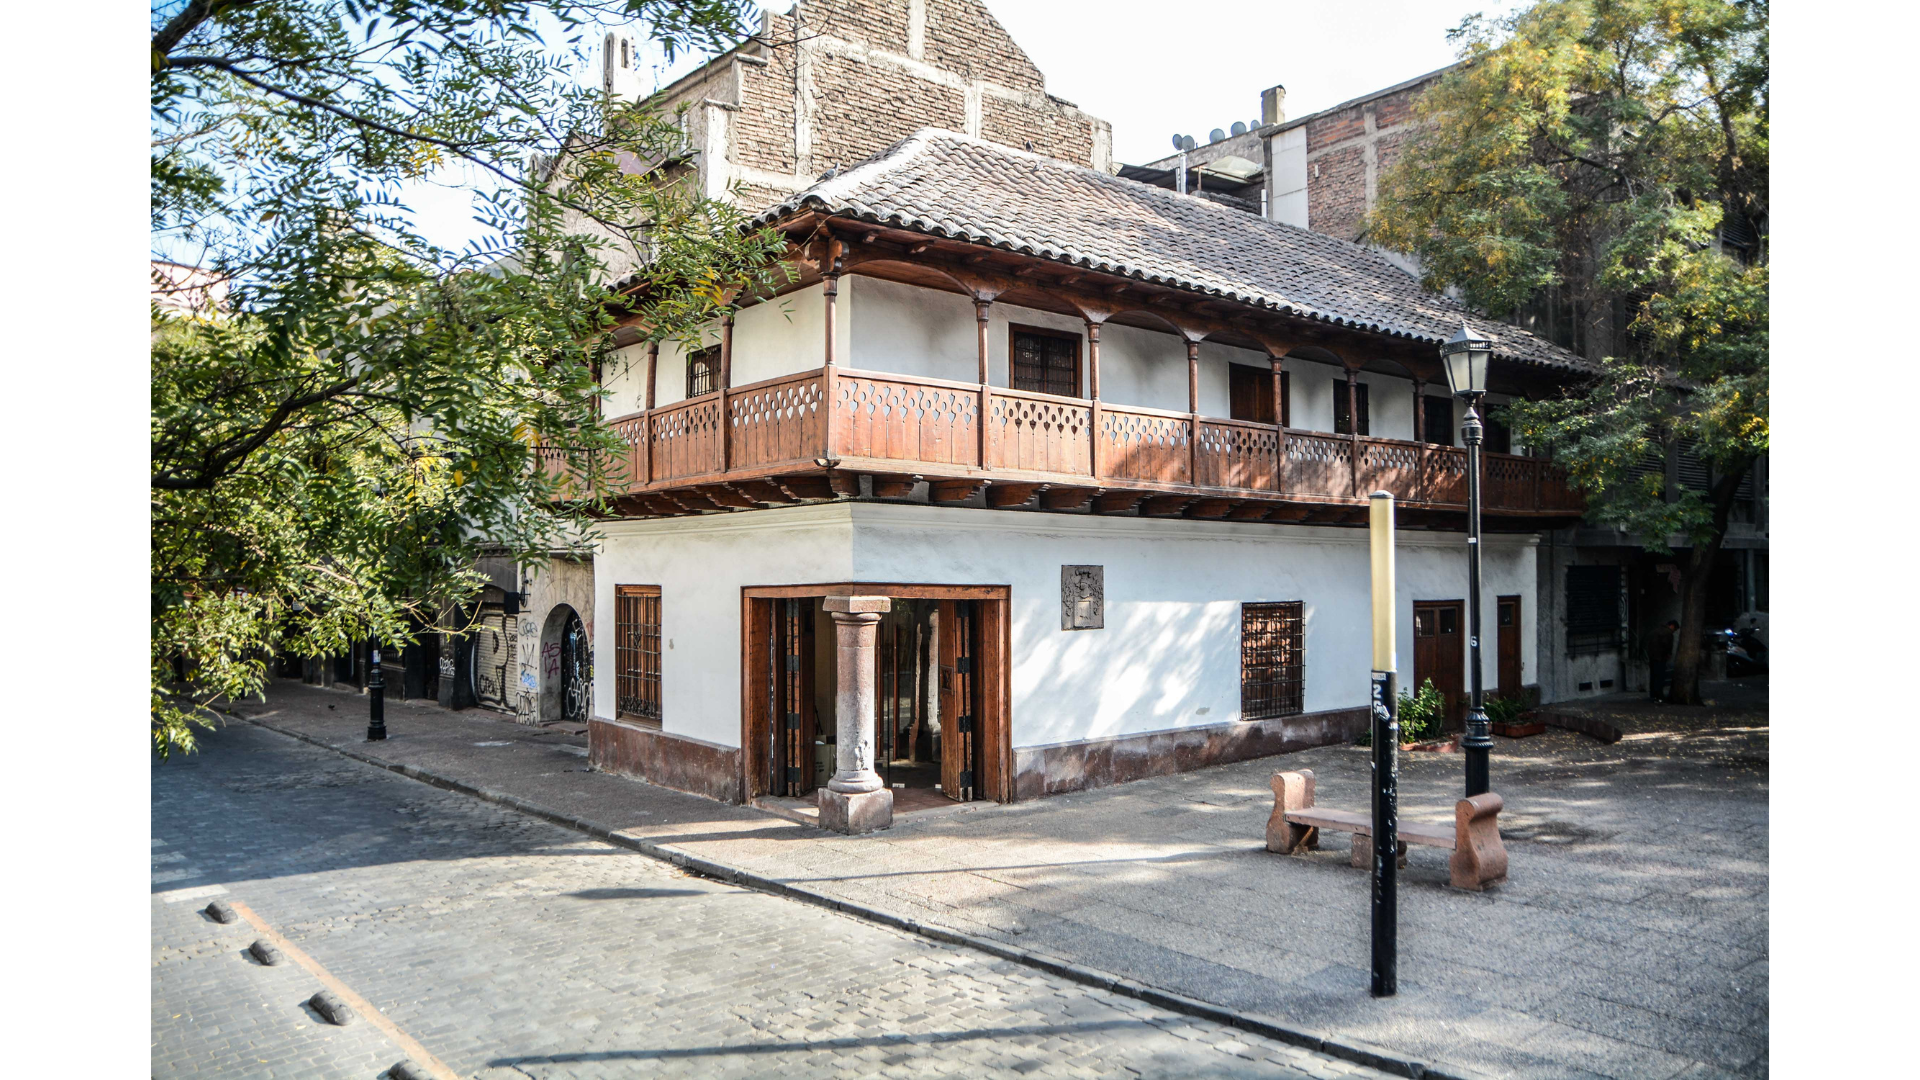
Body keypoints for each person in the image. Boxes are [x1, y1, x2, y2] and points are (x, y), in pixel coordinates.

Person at [1646, 619, 1678, 702]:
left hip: (1652, 657)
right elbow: (1667, 646)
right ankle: (1659, 696)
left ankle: (1653, 695)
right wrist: (1668, 654)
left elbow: (1649, 644)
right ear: (1672, 626)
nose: (1674, 631)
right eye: (1675, 629)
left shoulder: (1655, 631)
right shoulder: (1668, 633)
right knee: (1660, 677)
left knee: (1653, 676)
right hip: (1660, 657)